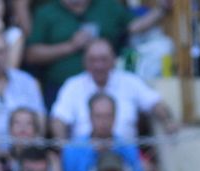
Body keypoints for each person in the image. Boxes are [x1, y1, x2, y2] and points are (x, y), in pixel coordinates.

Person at [25, 0, 167, 102]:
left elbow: (133, 27)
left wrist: (161, 10)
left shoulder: (107, 5)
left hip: (110, 86)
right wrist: (70, 46)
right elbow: (32, 54)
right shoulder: (46, 12)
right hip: (61, 87)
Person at [49, 37, 173, 142]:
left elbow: (155, 103)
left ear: (114, 60)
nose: (98, 65)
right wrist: (65, 149)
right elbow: (58, 120)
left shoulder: (130, 81)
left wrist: (168, 122)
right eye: (93, 60)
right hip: (84, 156)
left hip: (125, 154)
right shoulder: (72, 85)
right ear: (85, 62)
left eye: (103, 59)